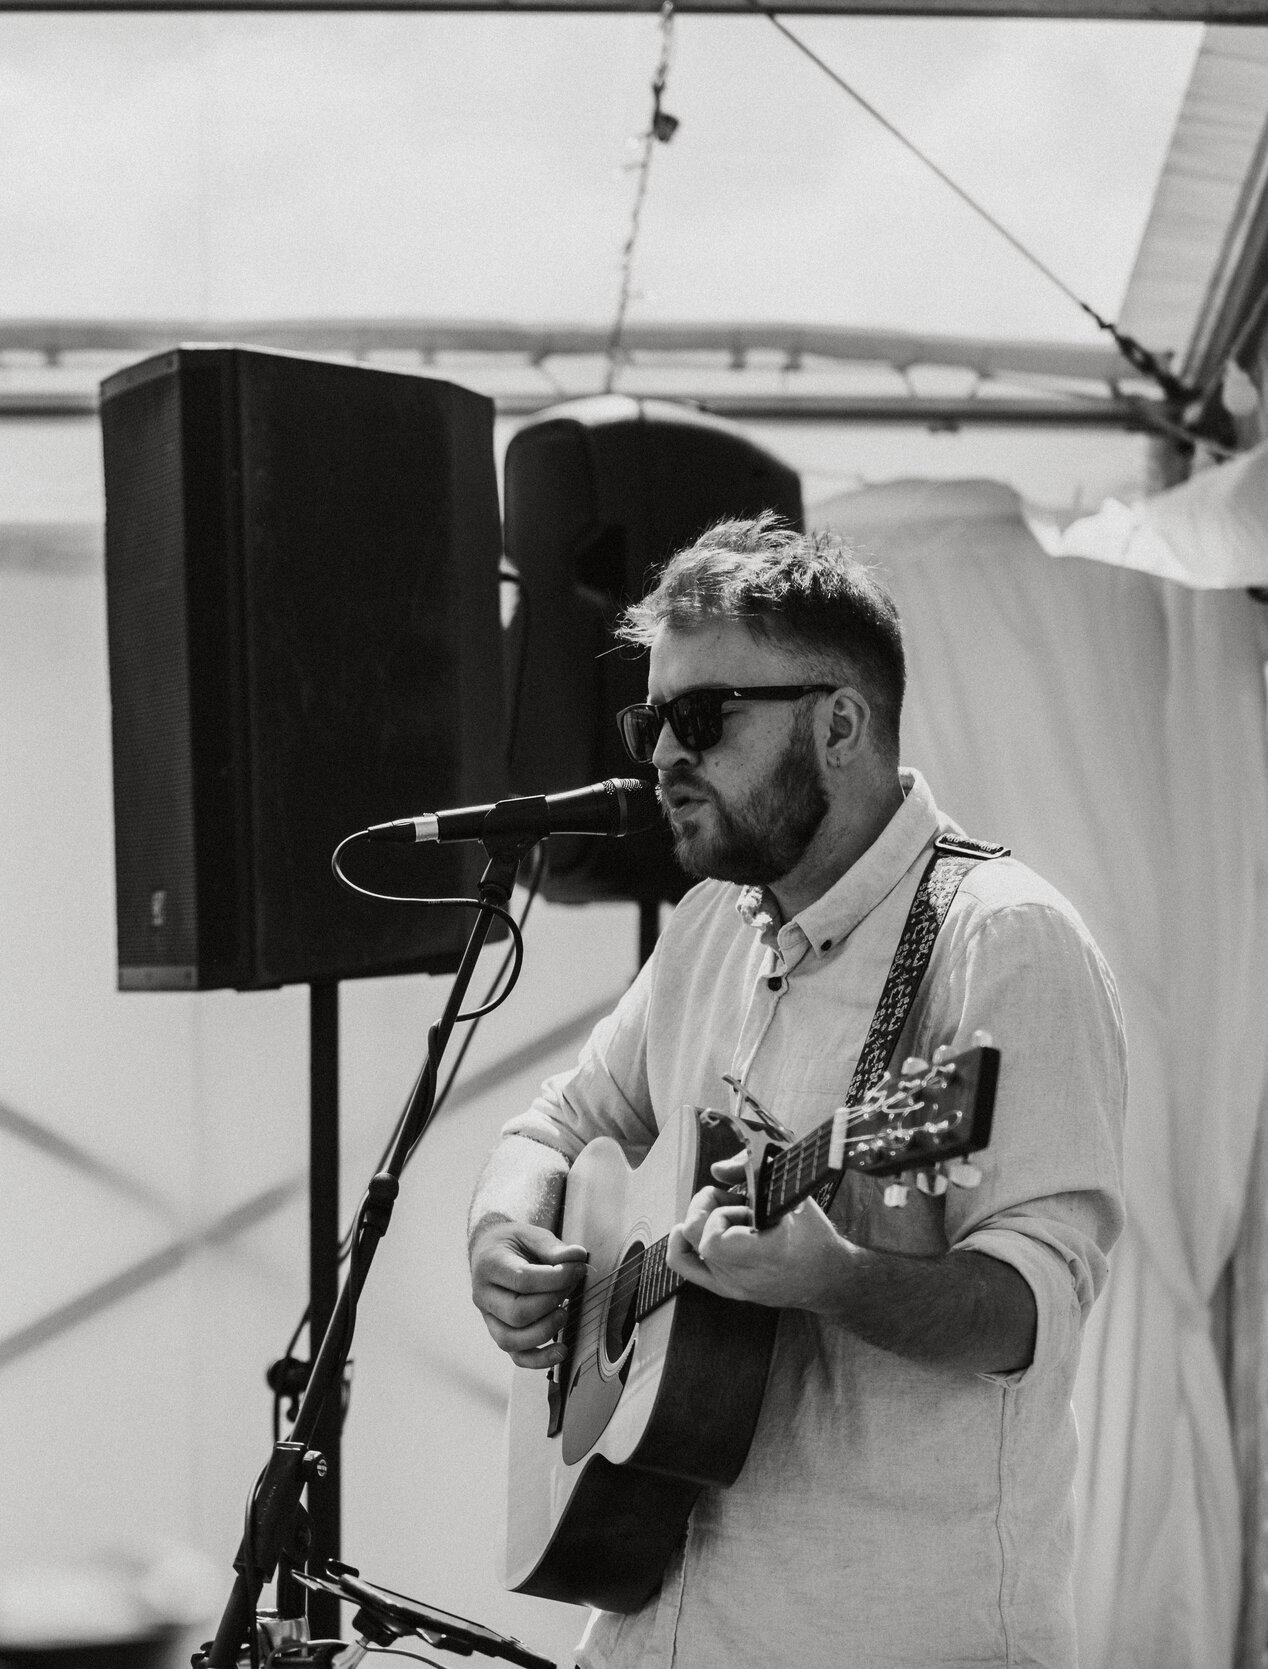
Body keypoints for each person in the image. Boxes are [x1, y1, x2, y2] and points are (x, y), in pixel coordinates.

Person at [466, 515, 1125, 1669]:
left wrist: (839, 1278)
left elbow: (1036, 1309)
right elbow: (560, 1121)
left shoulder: (1004, 943)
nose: (661, 755)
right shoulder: (712, 924)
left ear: (839, 722)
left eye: (701, 717)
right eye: (649, 720)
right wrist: (502, 1224)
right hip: (654, 1618)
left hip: (877, 1630)